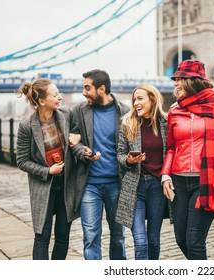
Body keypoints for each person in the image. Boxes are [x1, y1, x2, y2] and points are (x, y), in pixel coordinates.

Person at [161, 60, 214, 260]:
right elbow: (171, 147)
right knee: (180, 239)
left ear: (193, 81)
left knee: (194, 240)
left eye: (180, 79)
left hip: (206, 181)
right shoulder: (175, 111)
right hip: (179, 180)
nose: (175, 84)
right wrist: (165, 174)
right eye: (175, 80)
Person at [16, 78, 79, 260]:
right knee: (42, 237)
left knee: (62, 237)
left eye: (59, 93)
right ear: (42, 101)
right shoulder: (27, 126)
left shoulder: (66, 114)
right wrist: (47, 172)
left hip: (66, 185)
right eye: (55, 94)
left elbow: (78, 132)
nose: (60, 97)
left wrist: (79, 138)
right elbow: (22, 161)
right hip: (44, 187)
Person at [71, 69, 129, 260]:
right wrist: (82, 151)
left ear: (101, 89)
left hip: (117, 185)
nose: (83, 92)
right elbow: (73, 140)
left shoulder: (125, 112)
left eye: (87, 88)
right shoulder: (79, 111)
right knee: (90, 237)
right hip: (90, 185)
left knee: (118, 237)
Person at [115, 84, 168, 260]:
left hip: (157, 188)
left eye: (140, 99)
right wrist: (129, 160)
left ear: (152, 99)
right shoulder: (127, 124)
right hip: (134, 188)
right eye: (134, 100)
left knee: (153, 240)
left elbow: (172, 152)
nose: (135, 103)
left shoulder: (166, 123)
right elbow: (120, 155)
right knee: (140, 242)